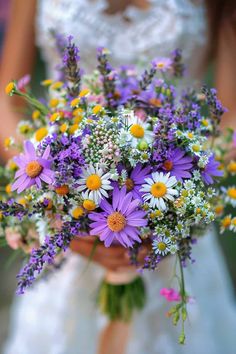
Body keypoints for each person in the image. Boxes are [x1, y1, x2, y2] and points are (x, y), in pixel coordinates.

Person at [1, 1, 236, 353]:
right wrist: (55, 199)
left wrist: (173, 208)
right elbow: (7, 102)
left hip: (173, 223)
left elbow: (231, 117)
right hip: (66, 220)